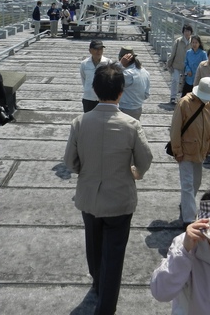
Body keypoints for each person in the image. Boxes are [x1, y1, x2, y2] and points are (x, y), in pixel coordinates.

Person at [64, 63, 153, 315]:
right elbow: (145, 160)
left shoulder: (80, 122)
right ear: (121, 92)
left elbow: (70, 162)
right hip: (119, 200)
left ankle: (97, 282)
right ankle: (106, 307)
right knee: (113, 255)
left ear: (94, 89)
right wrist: (135, 173)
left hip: (89, 197)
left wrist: (87, 169)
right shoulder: (131, 124)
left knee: (93, 244)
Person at [171, 77, 210, 228]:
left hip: (200, 150)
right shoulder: (185, 103)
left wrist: (209, 147)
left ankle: (186, 204)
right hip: (185, 150)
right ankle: (189, 219)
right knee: (187, 184)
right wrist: (177, 150)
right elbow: (175, 128)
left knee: (196, 182)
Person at [117, 46, 150, 120]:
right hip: (138, 108)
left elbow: (110, 78)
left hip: (125, 109)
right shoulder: (145, 72)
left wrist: (120, 65)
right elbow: (146, 94)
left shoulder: (127, 74)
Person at [80, 40, 110, 113]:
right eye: (96, 49)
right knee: (89, 122)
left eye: (101, 49)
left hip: (103, 99)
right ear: (90, 50)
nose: (98, 51)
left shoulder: (108, 63)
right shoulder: (84, 64)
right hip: (88, 98)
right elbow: (84, 79)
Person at [166, 25, 193, 104]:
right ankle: (173, 97)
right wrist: (169, 63)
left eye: (188, 31)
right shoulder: (178, 41)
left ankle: (182, 97)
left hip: (187, 66)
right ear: (183, 32)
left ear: (191, 32)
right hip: (177, 64)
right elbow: (173, 53)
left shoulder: (192, 42)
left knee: (185, 82)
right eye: (185, 31)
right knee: (175, 80)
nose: (187, 33)